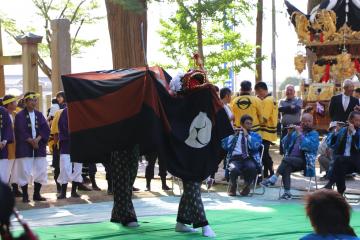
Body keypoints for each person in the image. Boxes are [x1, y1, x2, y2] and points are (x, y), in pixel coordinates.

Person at [261, 113, 319, 199]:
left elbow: (310, 147)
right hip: (291, 161)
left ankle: (273, 179)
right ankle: (287, 193)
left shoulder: (314, 134)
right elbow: (285, 146)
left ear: (312, 122)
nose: (306, 123)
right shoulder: (296, 132)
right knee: (286, 167)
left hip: (305, 162)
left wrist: (300, 134)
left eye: (309, 121)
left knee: (286, 160)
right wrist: (289, 134)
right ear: (301, 122)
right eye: (304, 121)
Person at [14, 92, 50, 203]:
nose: (34, 102)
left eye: (35, 100)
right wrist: (30, 141)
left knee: (40, 170)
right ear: (26, 102)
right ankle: (25, 195)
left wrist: (38, 139)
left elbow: (45, 129)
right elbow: (20, 130)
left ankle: (36, 194)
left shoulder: (39, 114)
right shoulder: (19, 115)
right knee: (24, 171)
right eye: (31, 100)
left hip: (39, 146)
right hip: (25, 147)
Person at [222, 114, 262, 196]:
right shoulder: (234, 133)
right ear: (242, 124)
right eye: (247, 123)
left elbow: (256, 146)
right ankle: (233, 186)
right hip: (234, 159)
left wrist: (247, 135)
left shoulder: (254, 135)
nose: (249, 125)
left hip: (248, 158)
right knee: (233, 168)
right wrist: (233, 135)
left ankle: (246, 186)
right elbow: (224, 145)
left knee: (252, 167)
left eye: (251, 123)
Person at [324, 111, 360, 194]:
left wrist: (354, 132)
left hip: (356, 161)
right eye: (356, 120)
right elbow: (330, 143)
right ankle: (340, 192)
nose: (359, 123)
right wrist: (336, 132)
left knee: (338, 160)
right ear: (350, 121)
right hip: (343, 162)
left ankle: (330, 183)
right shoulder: (343, 130)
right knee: (340, 165)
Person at [110, 145, 140, 228]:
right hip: (119, 141)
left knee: (131, 177)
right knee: (122, 177)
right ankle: (126, 215)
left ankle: (117, 213)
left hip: (134, 140)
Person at [57, 108, 83, 199]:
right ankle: (63, 192)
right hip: (67, 142)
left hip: (79, 143)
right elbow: (62, 126)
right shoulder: (65, 111)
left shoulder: (81, 108)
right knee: (64, 167)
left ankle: (74, 191)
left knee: (78, 167)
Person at [255, 82, 278, 178]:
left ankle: (271, 173)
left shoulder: (267, 101)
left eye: (257, 92)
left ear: (261, 90)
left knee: (263, 154)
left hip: (265, 132)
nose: (257, 95)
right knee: (264, 153)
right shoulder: (271, 99)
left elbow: (264, 118)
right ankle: (267, 173)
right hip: (269, 132)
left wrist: (254, 121)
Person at [2, 95, 22, 197]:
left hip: (16, 146)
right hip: (7, 147)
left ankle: (15, 188)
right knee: (6, 169)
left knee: (16, 168)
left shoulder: (16, 114)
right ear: (9, 104)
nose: (16, 104)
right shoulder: (3, 115)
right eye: (14, 102)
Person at [278, 84, 303, 155]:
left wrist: (286, 108)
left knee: (295, 147)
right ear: (285, 92)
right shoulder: (281, 101)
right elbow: (280, 109)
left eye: (291, 90)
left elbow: (296, 110)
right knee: (284, 147)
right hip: (285, 128)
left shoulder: (299, 100)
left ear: (294, 92)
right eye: (287, 90)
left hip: (296, 128)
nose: (289, 92)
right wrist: (291, 107)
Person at [0, 104, 14, 184]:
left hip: (2, 147)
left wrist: (4, 142)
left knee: (3, 173)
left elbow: (8, 127)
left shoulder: (3, 111)